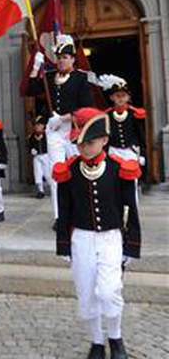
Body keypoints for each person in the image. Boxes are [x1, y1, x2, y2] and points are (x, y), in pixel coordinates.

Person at [53, 107, 141, 359]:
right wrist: (64, 245)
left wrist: (132, 245)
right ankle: (96, 342)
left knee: (109, 290)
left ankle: (115, 337)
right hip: (81, 238)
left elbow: (130, 210)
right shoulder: (68, 171)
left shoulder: (118, 169)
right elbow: (64, 212)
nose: (84, 149)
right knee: (86, 292)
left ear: (104, 140)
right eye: (79, 144)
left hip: (111, 237)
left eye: (89, 143)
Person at [27, 34, 94, 229]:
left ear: (73, 59)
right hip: (53, 131)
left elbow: (87, 108)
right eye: (59, 57)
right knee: (56, 172)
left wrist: (64, 118)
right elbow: (30, 89)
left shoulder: (80, 78)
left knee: (78, 170)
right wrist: (34, 67)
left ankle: (81, 212)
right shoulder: (49, 77)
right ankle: (60, 215)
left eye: (66, 57)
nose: (62, 60)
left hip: (72, 129)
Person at [27, 115, 52, 199]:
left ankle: (53, 188)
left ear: (43, 126)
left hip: (46, 155)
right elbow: (30, 146)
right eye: (36, 125)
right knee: (38, 173)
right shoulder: (32, 136)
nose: (37, 127)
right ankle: (40, 190)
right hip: (37, 157)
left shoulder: (47, 135)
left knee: (47, 173)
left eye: (39, 125)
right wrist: (32, 150)